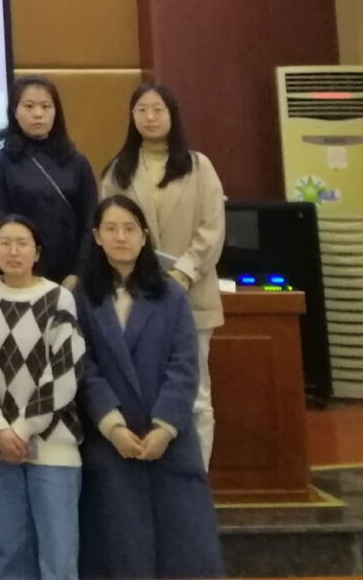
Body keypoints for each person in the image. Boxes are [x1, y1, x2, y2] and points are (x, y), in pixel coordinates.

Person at [73, 197, 223, 580]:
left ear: (144, 237)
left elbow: (184, 365)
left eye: (129, 229)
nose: (121, 237)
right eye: (111, 229)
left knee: (185, 548)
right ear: (97, 237)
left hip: (169, 440)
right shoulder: (82, 299)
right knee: (122, 548)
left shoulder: (171, 295)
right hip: (112, 440)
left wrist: (165, 428)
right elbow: (83, 367)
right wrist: (113, 426)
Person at [98, 82, 226, 468]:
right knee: (143, 391)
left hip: (192, 294)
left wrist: (182, 276)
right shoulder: (118, 170)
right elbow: (108, 227)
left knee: (196, 395)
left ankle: (196, 476)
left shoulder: (199, 166)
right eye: (141, 110)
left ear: (172, 115)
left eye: (158, 110)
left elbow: (212, 228)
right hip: (134, 296)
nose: (150, 117)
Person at [0, 216, 86, 580]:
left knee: (58, 555)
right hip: (0, 447)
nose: (13, 251)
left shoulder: (58, 298)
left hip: (54, 444)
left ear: (37, 252)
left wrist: (21, 428)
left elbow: (64, 373)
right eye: (5, 243)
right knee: (9, 550)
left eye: (22, 243)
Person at [0, 77, 96, 286]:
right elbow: (0, 223)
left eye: (46, 106)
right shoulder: (0, 162)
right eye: (29, 106)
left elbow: (90, 221)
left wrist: (78, 273)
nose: (38, 113)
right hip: (20, 273)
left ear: (56, 112)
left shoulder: (77, 162)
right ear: (14, 112)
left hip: (71, 276)